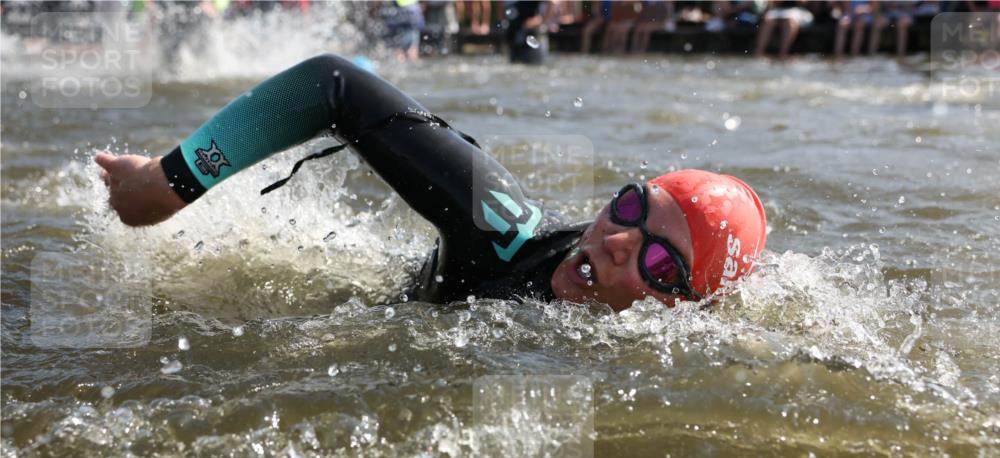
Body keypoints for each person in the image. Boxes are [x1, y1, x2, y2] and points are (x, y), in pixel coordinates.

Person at [95, 54, 766, 311]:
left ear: (686, 305)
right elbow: (337, 84)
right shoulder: (503, 231)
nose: (618, 239)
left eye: (657, 260)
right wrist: (168, 181)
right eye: (629, 205)